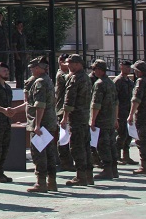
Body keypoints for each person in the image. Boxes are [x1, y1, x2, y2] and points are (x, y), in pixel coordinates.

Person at [23, 56, 59, 193]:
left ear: (38, 68)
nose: (32, 71)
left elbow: (39, 106)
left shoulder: (39, 82)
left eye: (33, 68)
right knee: (49, 152)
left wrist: (37, 124)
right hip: (49, 122)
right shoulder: (48, 80)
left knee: (39, 153)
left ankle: (41, 182)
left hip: (41, 123)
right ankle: (51, 181)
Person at [62, 54, 93, 187]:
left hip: (76, 117)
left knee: (77, 147)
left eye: (70, 63)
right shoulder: (86, 77)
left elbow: (69, 100)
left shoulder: (75, 78)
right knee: (86, 146)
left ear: (78, 64)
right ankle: (88, 175)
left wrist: (64, 118)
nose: (68, 65)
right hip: (85, 116)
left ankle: (81, 176)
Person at [89, 60, 118, 180]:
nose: (94, 71)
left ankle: (107, 170)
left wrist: (93, 120)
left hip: (102, 119)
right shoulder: (111, 83)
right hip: (110, 119)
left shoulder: (99, 84)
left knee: (103, 145)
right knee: (111, 144)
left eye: (95, 69)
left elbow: (96, 104)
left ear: (100, 70)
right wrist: (115, 118)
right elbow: (116, 102)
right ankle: (114, 169)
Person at [128, 60, 146, 175]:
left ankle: (145, 165)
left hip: (142, 114)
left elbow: (136, 99)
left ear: (139, 71)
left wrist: (131, 115)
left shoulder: (141, 81)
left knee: (142, 140)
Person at [114, 60, 137, 166]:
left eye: (129, 67)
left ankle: (126, 156)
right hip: (121, 112)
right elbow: (115, 99)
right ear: (121, 67)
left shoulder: (130, 82)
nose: (128, 69)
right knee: (121, 134)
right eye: (126, 67)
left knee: (129, 135)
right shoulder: (117, 81)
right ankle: (117, 156)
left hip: (129, 111)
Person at [54, 53, 73, 171]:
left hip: (67, 109)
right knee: (63, 137)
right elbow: (71, 78)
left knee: (68, 136)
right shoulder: (61, 74)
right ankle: (64, 161)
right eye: (66, 62)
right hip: (61, 109)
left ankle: (69, 160)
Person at [11, 21, 28, 88]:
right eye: (20, 25)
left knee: (22, 70)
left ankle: (22, 84)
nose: (21, 27)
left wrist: (26, 54)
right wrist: (17, 55)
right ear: (17, 26)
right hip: (19, 55)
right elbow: (14, 46)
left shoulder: (23, 35)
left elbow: (25, 45)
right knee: (19, 70)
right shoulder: (15, 35)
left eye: (22, 25)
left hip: (23, 54)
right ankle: (19, 85)